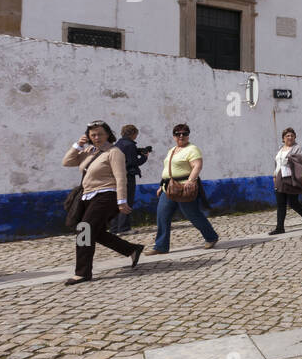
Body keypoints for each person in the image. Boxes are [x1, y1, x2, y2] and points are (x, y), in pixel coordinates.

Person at [62, 119, 143, 285]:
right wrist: (78, 145)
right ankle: (131, 249)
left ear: (108, 135)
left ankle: (82, 273)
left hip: (107, 195)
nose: (97, 137)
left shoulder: (114, 152)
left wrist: (122, 201)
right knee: (93, 231)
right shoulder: (90, 151)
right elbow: (67, 162)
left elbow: (121, 177)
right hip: (87, 196)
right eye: (93, 135)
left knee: (84, 229)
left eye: (100, 134)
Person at [152, 123, 219, 253]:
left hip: (184, 188)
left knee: (193, 215)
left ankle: (211, 237)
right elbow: (168, 169)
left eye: (185, 133)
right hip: (169, 188)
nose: (181, 136)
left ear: (188, 135)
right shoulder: (172, 150)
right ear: (174, 136)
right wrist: (162, 186)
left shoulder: (192, 149)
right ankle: (161, 247)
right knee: (162, 215)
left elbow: (197, 166)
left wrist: (191, 181)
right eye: (178, 134)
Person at [109, 124, 149, 234]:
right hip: (128, 176)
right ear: (133, 134)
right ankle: (124, 228)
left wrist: (138, 151)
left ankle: (114, 228)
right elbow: (132, 162)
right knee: (127, 201)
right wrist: (144, 157)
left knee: (118, 202)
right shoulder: (130, 145)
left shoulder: (117, 144)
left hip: (116, 176)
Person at [272, 127, 302, 233]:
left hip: (291, 179)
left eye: (292, 135)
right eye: (287, 136)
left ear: (294, 137)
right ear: (283, 138)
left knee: (293, 202)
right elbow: (277, 163)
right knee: (281, 204)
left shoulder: (297, 148)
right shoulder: (280, 149)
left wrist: (293, 158)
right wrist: (274, 176)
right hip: (279, 178)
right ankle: (280, 228)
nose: (290, 137)